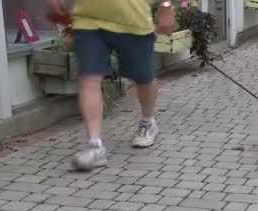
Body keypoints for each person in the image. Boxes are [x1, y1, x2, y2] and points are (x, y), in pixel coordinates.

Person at [46, 0, 176, 171]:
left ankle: (148, 121)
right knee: (89, 78)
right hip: (88, 20)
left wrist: (165, 6)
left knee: (143, 78)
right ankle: (95, 145)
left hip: (133, 19)